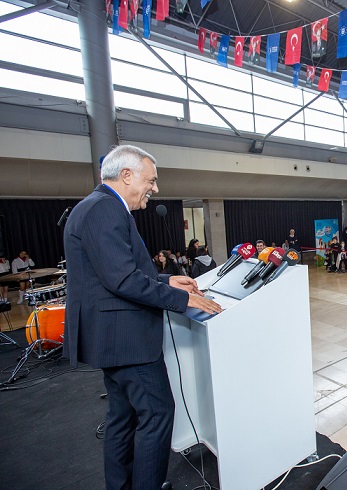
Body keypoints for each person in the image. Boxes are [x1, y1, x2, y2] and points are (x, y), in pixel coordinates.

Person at [62, 145, 222, 490]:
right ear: (127, 175)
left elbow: (117, 272)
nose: (155, 189)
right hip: (128, 341)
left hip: (114, 340)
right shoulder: (104, 210)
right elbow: (122, 280)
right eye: (151, 180)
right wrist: (183, 298)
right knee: (158, 414)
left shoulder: (95, 207)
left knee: (123, 418)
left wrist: (166, 279)